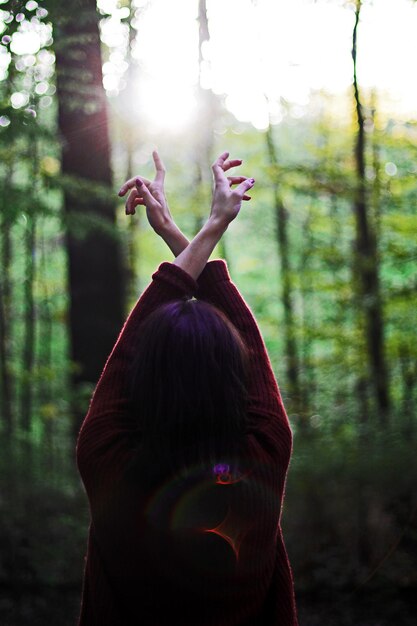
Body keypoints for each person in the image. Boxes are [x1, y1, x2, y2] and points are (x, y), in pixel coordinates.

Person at [76, 151, 298, 626]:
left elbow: (127, 347)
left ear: (143, 377)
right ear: (232, 376)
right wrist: (203, 230)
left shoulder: (108, 463)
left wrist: (197, 238)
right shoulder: (261, 457)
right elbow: (254, 354)